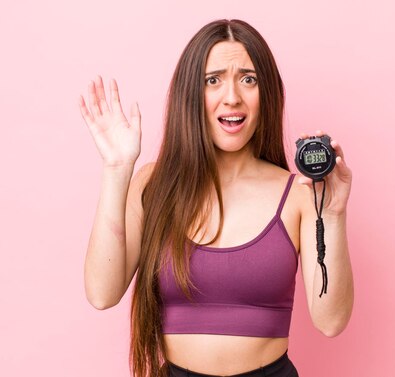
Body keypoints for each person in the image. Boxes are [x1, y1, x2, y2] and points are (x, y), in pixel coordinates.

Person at [79, 19, 354, 377]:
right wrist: (117, 168)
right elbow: (102, 293)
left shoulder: (299, 194)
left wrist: (332, 214)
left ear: (266, 93)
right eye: (213, 80)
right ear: (191, 93)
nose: (232, 97)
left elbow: (330, 321)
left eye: (248, 79)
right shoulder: (153, 184)